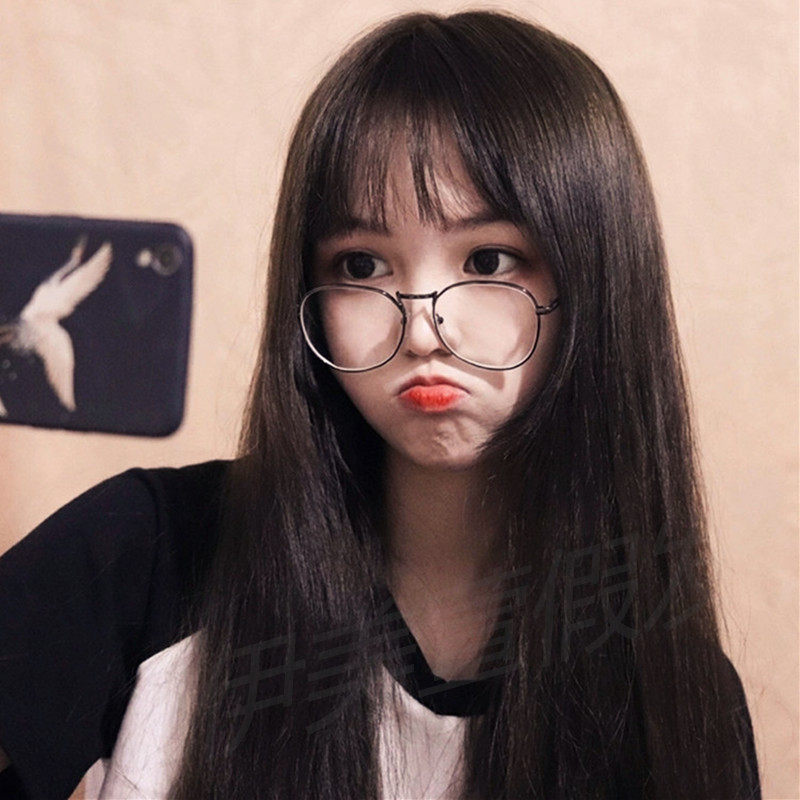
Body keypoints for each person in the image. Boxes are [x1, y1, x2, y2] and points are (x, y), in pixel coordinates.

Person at [0, 9, 761, 800]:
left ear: (595, 278)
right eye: (362, 265)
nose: (422, 325)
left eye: (488, 259)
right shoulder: (151, 554)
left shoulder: (673, 696)